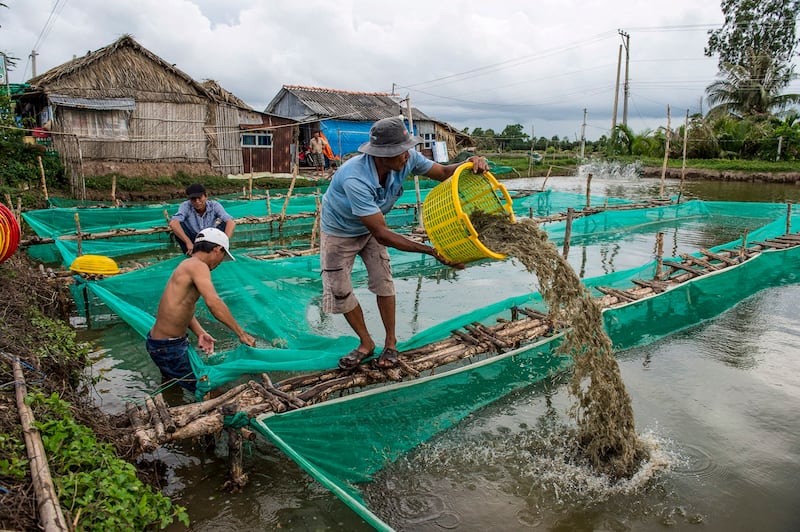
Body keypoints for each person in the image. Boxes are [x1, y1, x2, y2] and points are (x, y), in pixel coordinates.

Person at [320, 116, 489, 370]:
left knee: (383, 280)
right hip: (339, 231)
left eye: (407, 149)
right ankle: (366, 343)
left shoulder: (407, 159)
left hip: (373, 227)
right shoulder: (355, 178)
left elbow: (442, 173)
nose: (407, 156)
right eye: (401, 151)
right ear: (382, 154)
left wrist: (468, 164)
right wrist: (431, 251)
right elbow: (383, 235)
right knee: (340, 290)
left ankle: (390, 344)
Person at [146, 228, 256, 393]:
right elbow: (214, 303)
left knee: (172, 386)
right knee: (209, 390)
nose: (220, 263)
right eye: (222, 257)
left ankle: (172, 409)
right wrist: (242, 334)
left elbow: (181, 307)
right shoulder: (199, 266)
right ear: (217, 249)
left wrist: (200, 332)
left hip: (161, 343)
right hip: (169, 347)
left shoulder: (186, 264)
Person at [170, 183, 235, 255]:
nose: (197, 201)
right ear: (189, 199)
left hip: (210, 236)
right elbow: (173, 223)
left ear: (206, 196)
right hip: (193, 237)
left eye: (199, 198)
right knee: (179, 225)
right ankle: (190, 252)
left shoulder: (214, 205)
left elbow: (230, 222)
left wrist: (224, 242)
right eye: (193, 199)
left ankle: (222, 249)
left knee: (225, 223)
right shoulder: (186, 206)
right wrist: (188, 242)